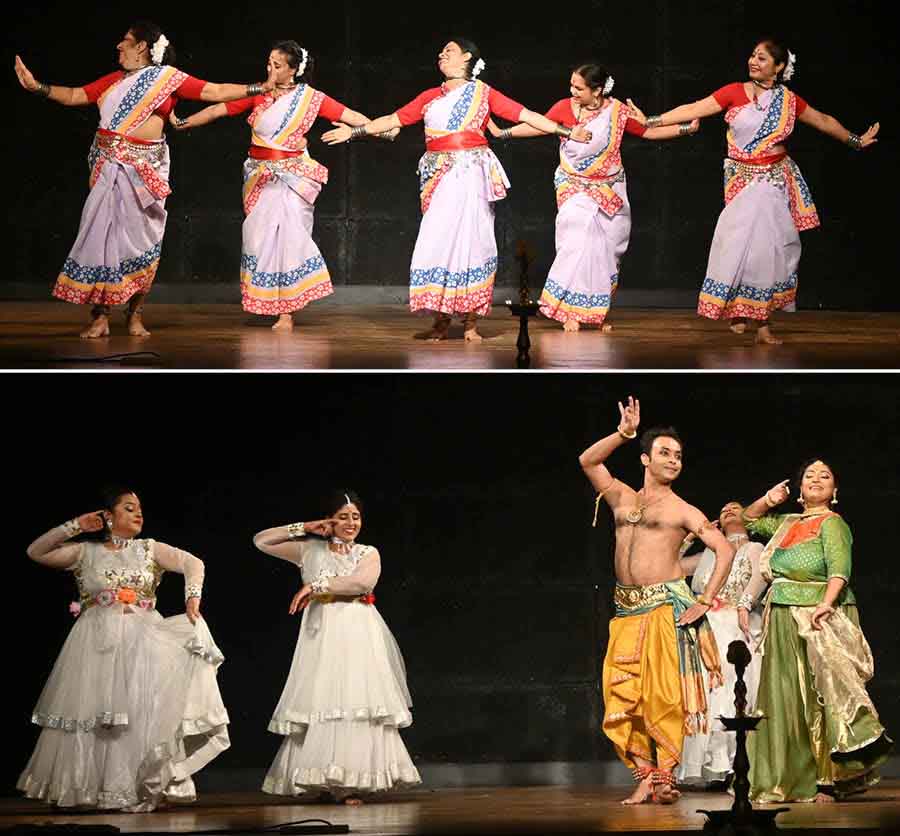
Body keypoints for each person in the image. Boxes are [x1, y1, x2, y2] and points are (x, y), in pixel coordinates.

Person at [14, 21, 278, 338]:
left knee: (143, 241)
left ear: (141, 46)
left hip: (146, 171)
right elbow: (75, 95)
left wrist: (260, 88)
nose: (118, 46)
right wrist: (37, 87)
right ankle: (100, 316)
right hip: (109, 167)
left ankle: (135, 313)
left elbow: (215, 91)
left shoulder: (168, 78)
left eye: (125, 40)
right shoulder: (114, 81)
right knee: (103, 239)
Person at [321, 38, 590, 341]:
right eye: (441, 52)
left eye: (448, 51)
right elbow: (393, 120)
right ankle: (441, 320)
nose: (441, 55)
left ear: (467, 58)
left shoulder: (484, 93)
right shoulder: (430, 97)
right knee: (436, 242)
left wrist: (568, 132)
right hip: (438, 176)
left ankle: (471, 323)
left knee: (472, 242)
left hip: (470, 173)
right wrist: (354, 131)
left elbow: (527, 115)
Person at [629, 38, 879, 344]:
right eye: (752, 55)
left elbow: (823, 121)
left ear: (779, 66)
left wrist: (855, 140)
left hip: (773, 180)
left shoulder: (788, 101)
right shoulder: (733, 92)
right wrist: (651, 120)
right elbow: (694, 108)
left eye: (762, 58)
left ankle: (762, 323)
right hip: (742, 180)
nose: (753, 61)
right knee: (738, 246)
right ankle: (739, 309)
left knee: (768, 250)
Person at [18, 489, 229, 811]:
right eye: (129, 508)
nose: (138, 514)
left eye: (140, 509)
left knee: (136, 711)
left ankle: (135, 786)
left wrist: (192, 598)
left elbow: (193, 563)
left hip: (142, 638)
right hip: (94, 641)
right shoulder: (85, 552)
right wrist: (76, 526)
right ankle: (85, 789)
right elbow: (36, 551)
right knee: (93, 712)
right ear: (108, 516)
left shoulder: (148, 549)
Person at [172, 42, 391, 331]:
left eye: (277, 66)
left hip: (292, 177)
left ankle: (287, 312)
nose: (270, 70)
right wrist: (184, 122)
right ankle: (268, 301)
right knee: (259, 239)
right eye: (268, 64)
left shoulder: (311, 99)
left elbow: (351, 115)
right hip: (260, 176)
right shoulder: (259, 94)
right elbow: (217, 110)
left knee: (289, 238)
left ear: (293, 71)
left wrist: (378, 130)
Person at [579, 396, 734, 804]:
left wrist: (705, 599)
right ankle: (645, 775)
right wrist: (622, 434)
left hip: (665, 607)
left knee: (663, 696)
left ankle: (665, 778)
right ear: (645, 459)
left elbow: (725, 549)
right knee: (621, 695)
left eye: (678, 456)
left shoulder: (682, 509)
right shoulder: (621, 497)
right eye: (665, 453)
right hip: (627, 609)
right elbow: (588, 461)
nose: (673, 460)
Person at [489, 64, 698, 332]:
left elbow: (647, 131)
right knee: (578, 241)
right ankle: (569, 312)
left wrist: (685, 129)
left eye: (579, 87)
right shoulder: (565, 107)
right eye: (571, 85)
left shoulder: (617, 111)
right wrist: (503, 133)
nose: (572, 91)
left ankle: (594, 313)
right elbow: (541, 126)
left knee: (606, 252)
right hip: (574, 185)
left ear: (597, 90)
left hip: (610, 189)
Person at [253, 490, 421, 803]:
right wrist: (306, 527)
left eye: (356, 516)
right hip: (322, 631)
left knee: (354, 697)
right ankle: (321, 779)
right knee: (323, 698)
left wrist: (316, 585)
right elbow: (261, 541)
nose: (351, 523)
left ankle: (349, 782)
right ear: (329, 519)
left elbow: (361, 583)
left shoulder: (367, 553)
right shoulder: (309, 549)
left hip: (357, 628)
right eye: (343, 516)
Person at [741, 460, 891, 802]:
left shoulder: (833, 523)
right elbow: (748, 520)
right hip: (783, 617)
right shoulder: (786, 523)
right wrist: (768, 499)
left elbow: (840, 570)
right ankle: (793, 777)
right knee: (787, 697)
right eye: (810, 475)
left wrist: (825, 604)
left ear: (834, 491)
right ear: (799, 490)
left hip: (819, 617)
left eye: (825, 476)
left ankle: (829, 778)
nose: (817, 479)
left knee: (820, 695)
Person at [677, 501, 765, 787]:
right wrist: (690, 538)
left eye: (736, 507)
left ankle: (738, 765)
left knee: (736, 690)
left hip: (738, 624)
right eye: (724, 508)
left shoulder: (755, 549)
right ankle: (714, 765)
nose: (728, 509)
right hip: (707, 628)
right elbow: (671, 567)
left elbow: (759, 578)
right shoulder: (709, 554)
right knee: (707, 693)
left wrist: (743, 606)